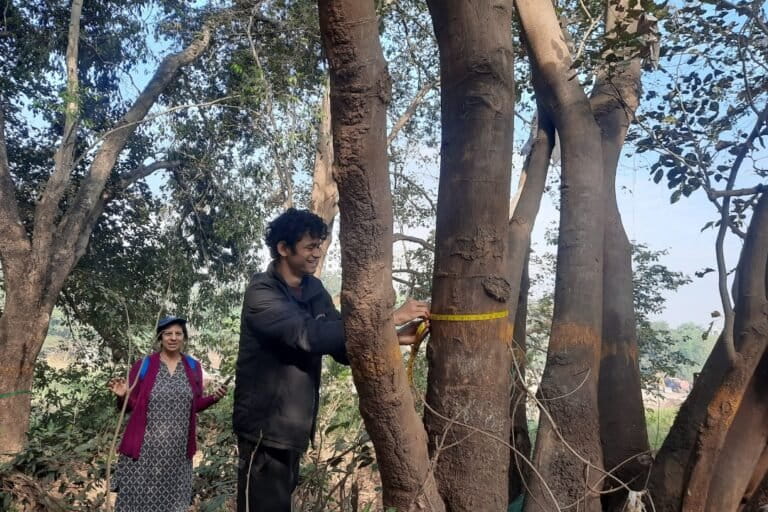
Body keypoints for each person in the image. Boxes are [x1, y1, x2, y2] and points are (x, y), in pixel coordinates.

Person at [233, 208, 429, 512]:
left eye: (320, 246)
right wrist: (387, 320)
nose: (317, 254)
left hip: (293, 430)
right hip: (264, 433)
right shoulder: (262, 293)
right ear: (284, 249)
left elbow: (340, 345)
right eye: (309, 247)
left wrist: (393, 336)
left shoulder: (313, 289)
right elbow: (309, 335)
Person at [108, 315, 228, 512]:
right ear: (160, 338)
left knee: (172, 504)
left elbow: (193, 406)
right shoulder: (144, 365)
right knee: (137, 503)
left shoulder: (192, 367)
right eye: (168, 333)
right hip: (144, 452)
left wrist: (214, 397)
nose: (173, 338)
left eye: (178, 333)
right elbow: (131, 407)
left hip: (177, 454)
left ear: (184, 337)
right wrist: (123, 396)